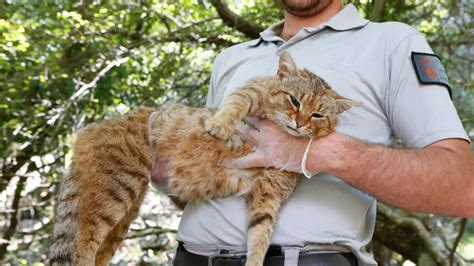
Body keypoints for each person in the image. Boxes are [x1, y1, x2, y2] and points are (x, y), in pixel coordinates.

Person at [152, 1, 474, 265]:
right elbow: (209, 180)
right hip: (189, 257)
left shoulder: (392, 42)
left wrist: (316, 152)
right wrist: (165, 171)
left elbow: (463, 186)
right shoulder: (231, 58)